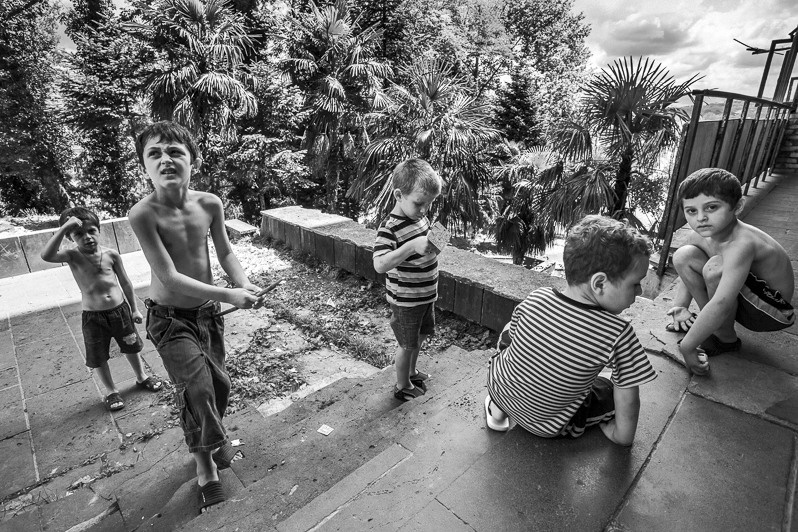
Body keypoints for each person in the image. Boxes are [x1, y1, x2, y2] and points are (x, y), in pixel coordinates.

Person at [129, 121, 266, 513]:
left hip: (207, 315)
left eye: (175, 152)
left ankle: (209, 437)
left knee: (218, 386)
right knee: (198, 390)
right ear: (144, 166)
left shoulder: (210, 204)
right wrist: (230, 294)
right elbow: (169, 275)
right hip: (169, 319)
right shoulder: (142, 213)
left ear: (193, 160)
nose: (165, 159)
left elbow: (225, 254)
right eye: (154, 153)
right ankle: (206, 466)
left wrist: (245, 285)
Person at [485, 215, 657, 446]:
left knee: (511, 344)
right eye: (635, 284)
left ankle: (497, 410)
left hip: (498, 388)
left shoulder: (538, 296)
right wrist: (622, 436)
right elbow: (628, 396)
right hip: (546, 425)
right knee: (608, 390)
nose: (639, 292)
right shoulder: (619, 333)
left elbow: (511, 337)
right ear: (599, 284)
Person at [666, 167, 795, 375]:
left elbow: (721, 302)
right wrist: (680, 307)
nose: (701, 218)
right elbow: (686, 272)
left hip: (772, 311)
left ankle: (725, 339)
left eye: (711, 207)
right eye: (691, 211)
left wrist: (687, 346)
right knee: (683, 255)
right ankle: (714, 326)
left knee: (715, 268)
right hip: (748, 296)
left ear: (737, 206)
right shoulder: (702, 234)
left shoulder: (741, 243)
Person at [40, 207, 162, 412]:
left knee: (131, 345)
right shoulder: (72, 255)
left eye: (91, 231)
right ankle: (111, 390)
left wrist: (134, 309)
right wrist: (64, 228)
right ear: (70, 237)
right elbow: (46, 255)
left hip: (120, 311)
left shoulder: (111, 254)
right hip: (93, 316)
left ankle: (141, 377)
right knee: (98, 354)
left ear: (98, 230)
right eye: (78, 234)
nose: (87, 237)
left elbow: (125, 283)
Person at [373, 159, 443, 402]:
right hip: (405, 301)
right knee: (406, 344)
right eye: (419, 203)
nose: (424, 209)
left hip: (425, 296)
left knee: (420, 337)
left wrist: (436, 243)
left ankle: (412, 372)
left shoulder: (419, 219)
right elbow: (380, 264)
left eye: (430, 203)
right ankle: (402, 385)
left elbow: (426, 247)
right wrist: (411, 246)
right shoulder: (389, 229)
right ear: (398, 195)